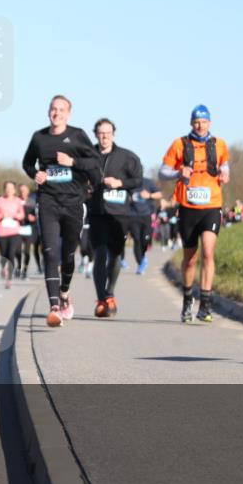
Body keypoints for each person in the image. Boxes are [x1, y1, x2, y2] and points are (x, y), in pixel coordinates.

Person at [22, 95, 101, 327]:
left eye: (61, 110)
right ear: (49, 112)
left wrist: (72, 162)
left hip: (74, 203)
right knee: (49, 252)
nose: (57, 113)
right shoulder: (39, 137)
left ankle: (64, 291)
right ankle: (54, 307)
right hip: (48, 201)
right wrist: (35, 174)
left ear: (69, 113)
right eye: (53, 109)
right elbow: (27, 163)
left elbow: (95, 162)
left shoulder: (77, 136)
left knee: (67, 255)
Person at [159, 104, 230, 323]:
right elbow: (163, 171)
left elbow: (225, 165)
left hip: (211, 205)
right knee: (190, 259)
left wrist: (225, 173)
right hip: (188, 207)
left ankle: (206, 304)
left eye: (204, 122)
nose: (200, 126)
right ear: (192, 123)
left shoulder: (219, 144)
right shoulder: (179, 144)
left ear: (210, 123)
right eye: (196, 122)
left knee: (208, 253)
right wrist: (179, 172)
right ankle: (188, 297)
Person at [86, 118, 143, 317]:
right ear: (95, 134)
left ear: (114, 134)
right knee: (100, 254)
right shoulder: (88, 155)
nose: (104, 137)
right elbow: (77, 178)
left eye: (108, 133)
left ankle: (110, 292)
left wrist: (120, 182)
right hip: (97, 213)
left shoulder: (127, 157)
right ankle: (102, 300)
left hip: (120, 214)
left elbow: (138, 179)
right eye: (101, 133)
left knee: (116, 255)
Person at [0, 181, 25, 289]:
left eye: (11, 188)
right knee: (4, 255)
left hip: (14, 232)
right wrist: (1, 215)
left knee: (11, 254)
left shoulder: (18, 201)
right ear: (4, 189)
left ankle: (9, 279)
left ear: (14, 190)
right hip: (2, 233)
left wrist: (15, 215)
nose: (9, 190)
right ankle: (3, 267)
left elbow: (22, 215)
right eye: (7, 188)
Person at [128, 176, 163, 274]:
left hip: (146, 215)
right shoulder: (129, 182)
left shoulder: (148, 182)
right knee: (137, 239)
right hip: (133, 215)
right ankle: (141, 263)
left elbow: (160, 194)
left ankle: (143, 257)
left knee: (145, 240)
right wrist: (128, 198)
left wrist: (149, 195)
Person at [17, 183, 41, 279]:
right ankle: (18, 267)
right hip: (18, 228)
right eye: (21, 191)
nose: (23, 192)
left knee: (27, 251)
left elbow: (37, 214)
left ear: (28, 192)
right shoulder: (16, 201)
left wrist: (34, 217)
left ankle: (25, 270)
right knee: (17, 250)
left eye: (25, 191)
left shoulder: (32, 201)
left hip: (29, 228)